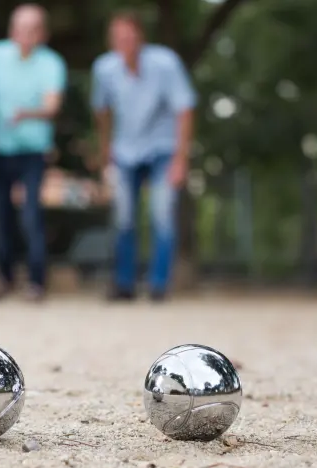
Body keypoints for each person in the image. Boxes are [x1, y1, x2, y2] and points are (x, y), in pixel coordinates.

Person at [91, 11, 197, 302]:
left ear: (141, 37)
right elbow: (102, 111)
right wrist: (106, 151)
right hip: (124, 151)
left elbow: (184, 110)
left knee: (162, 215)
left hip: (163, 149)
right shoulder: (105, 68)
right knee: (123, 218)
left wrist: (181, 159)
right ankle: (124, 283)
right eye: (118, 38)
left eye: (129, 36)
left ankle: (158, 285)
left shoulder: (165, 63)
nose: (124, 42)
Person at [0, 4, 67, 302]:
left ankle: (36, 281)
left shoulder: (52, 63)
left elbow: (52, 106)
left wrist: (26, 114)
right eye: (20, 27)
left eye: (32, 29)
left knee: (31, 214)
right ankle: (4, 277)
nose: (25, 35)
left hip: (33, 150)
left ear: (42, 33)